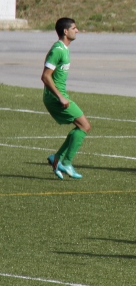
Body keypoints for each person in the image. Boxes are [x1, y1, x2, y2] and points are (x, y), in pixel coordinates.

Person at [42, 17, 91, 180]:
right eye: (74, 28)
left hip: (59, 95)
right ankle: (66, 162)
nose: (77, 30)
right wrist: (60, 97)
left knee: (80, 126)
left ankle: (57, 159)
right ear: (65, 31)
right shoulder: (58, 50)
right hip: (55, 97)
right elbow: (45, 76)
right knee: (84, 126)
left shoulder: (64, 48)